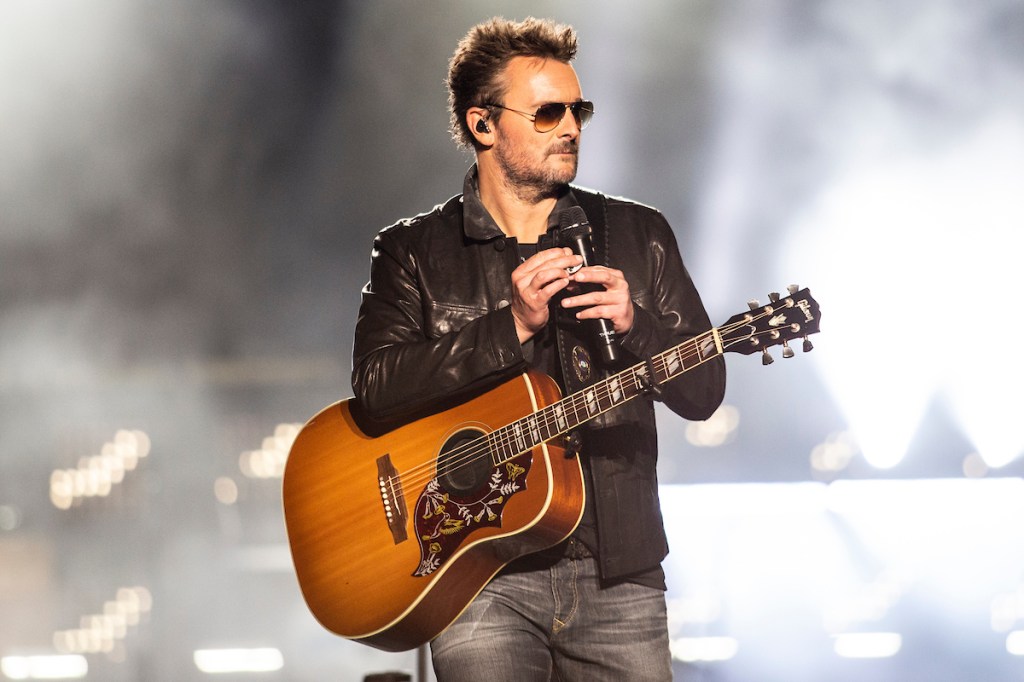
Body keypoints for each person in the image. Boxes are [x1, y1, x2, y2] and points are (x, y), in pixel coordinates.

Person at [350, 16, 726, 682]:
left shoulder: (638, 233)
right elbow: (377, 388)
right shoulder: (413, 251)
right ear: (483, 125)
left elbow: (704, 392)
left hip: (619, 573)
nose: (572, 127)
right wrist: (511, 326)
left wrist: (636, 325)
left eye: (579, 110)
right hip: (478, 575)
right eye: (548, 113)